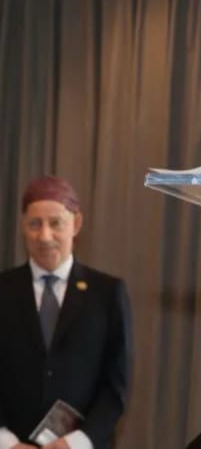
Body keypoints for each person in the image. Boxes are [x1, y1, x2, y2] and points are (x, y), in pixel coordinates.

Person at [0, 176, 132, 449]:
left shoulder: (107, 294)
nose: (44, 236)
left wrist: (76, 442)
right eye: (34, 224)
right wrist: (6, 441)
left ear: (76, 224)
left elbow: (116, 385)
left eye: (55, 223)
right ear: (23, 227)